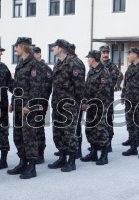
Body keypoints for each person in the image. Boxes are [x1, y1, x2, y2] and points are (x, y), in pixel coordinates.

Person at [5, 37, 43, 179]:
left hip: (29, 108)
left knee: (30, 137)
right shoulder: (20, 64)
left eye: (17, 47)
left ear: (23, 47)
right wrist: (13, 102)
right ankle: (23, 162)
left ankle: (32, 167)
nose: (15, 49)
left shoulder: (34, 64)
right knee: (18, 136)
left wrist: (29, 105)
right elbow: (18, 87)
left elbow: (36, 88)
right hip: (19, 107)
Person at [48, 39, 85, 172]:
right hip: (57, 103)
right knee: (58, 132)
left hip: (69, 105)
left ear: (62, 48)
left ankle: (72, 160)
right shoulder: (58, 63)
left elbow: (79, 87)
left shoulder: (75, 63)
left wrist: (77, 102)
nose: (53, 49)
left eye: (55, 47)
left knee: (69, 133)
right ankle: (62, 157)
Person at [80, 50, 114, 165]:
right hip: (90, 106)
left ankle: (104, 155)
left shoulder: (104, 71)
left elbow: (103, 91)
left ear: (93, 59)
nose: (87, 60)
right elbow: (86, 88)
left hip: (99, 106)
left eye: (88, 58)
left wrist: (91, 103)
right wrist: (84, 102)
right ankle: (93, 152)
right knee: (90, 129)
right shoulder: (91, 71)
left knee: (101, 130)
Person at [33, 46, 53, 164]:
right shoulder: (30, 67)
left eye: (34, 53)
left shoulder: (45, 68)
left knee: (39, 127)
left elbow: (48, 87)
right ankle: (33, 152)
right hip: (30, 103)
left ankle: (40, 153)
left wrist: (42, 100)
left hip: (40, 103)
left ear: (39, 54)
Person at [99, 45, 119, 151]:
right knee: (97, 122)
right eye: (104, 52)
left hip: (108, 99)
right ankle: (99, 143)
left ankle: (108, 144)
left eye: (107, 52)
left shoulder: (112, 67)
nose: (105, 54)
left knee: (108, 121)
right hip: (97, 100)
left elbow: (112, 82)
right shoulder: (97, 65)